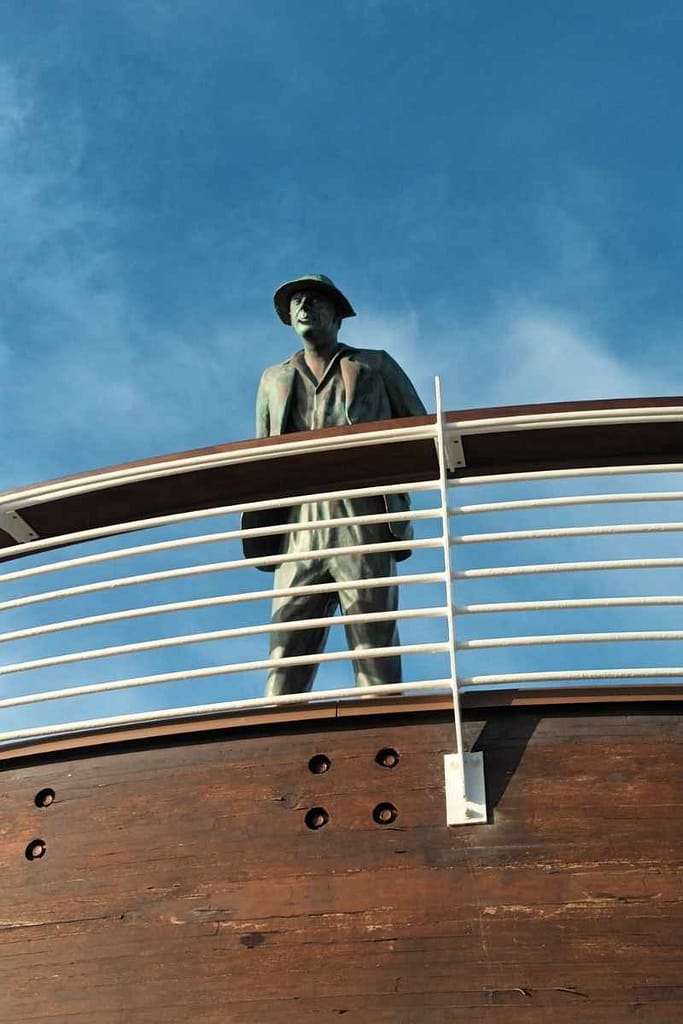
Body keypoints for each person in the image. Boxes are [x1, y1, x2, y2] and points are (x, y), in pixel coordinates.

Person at [248, 273, 426, 696]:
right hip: (298, 526)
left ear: (337, 314)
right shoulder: (274, 378)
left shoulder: (375, 365)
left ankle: (386, 723)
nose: (304, 307)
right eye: (297, 302)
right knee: (285, 647)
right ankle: (277, 729)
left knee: (373, 641)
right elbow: (259, 454)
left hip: (362, 519)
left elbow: (421, 430)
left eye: (315, 300)